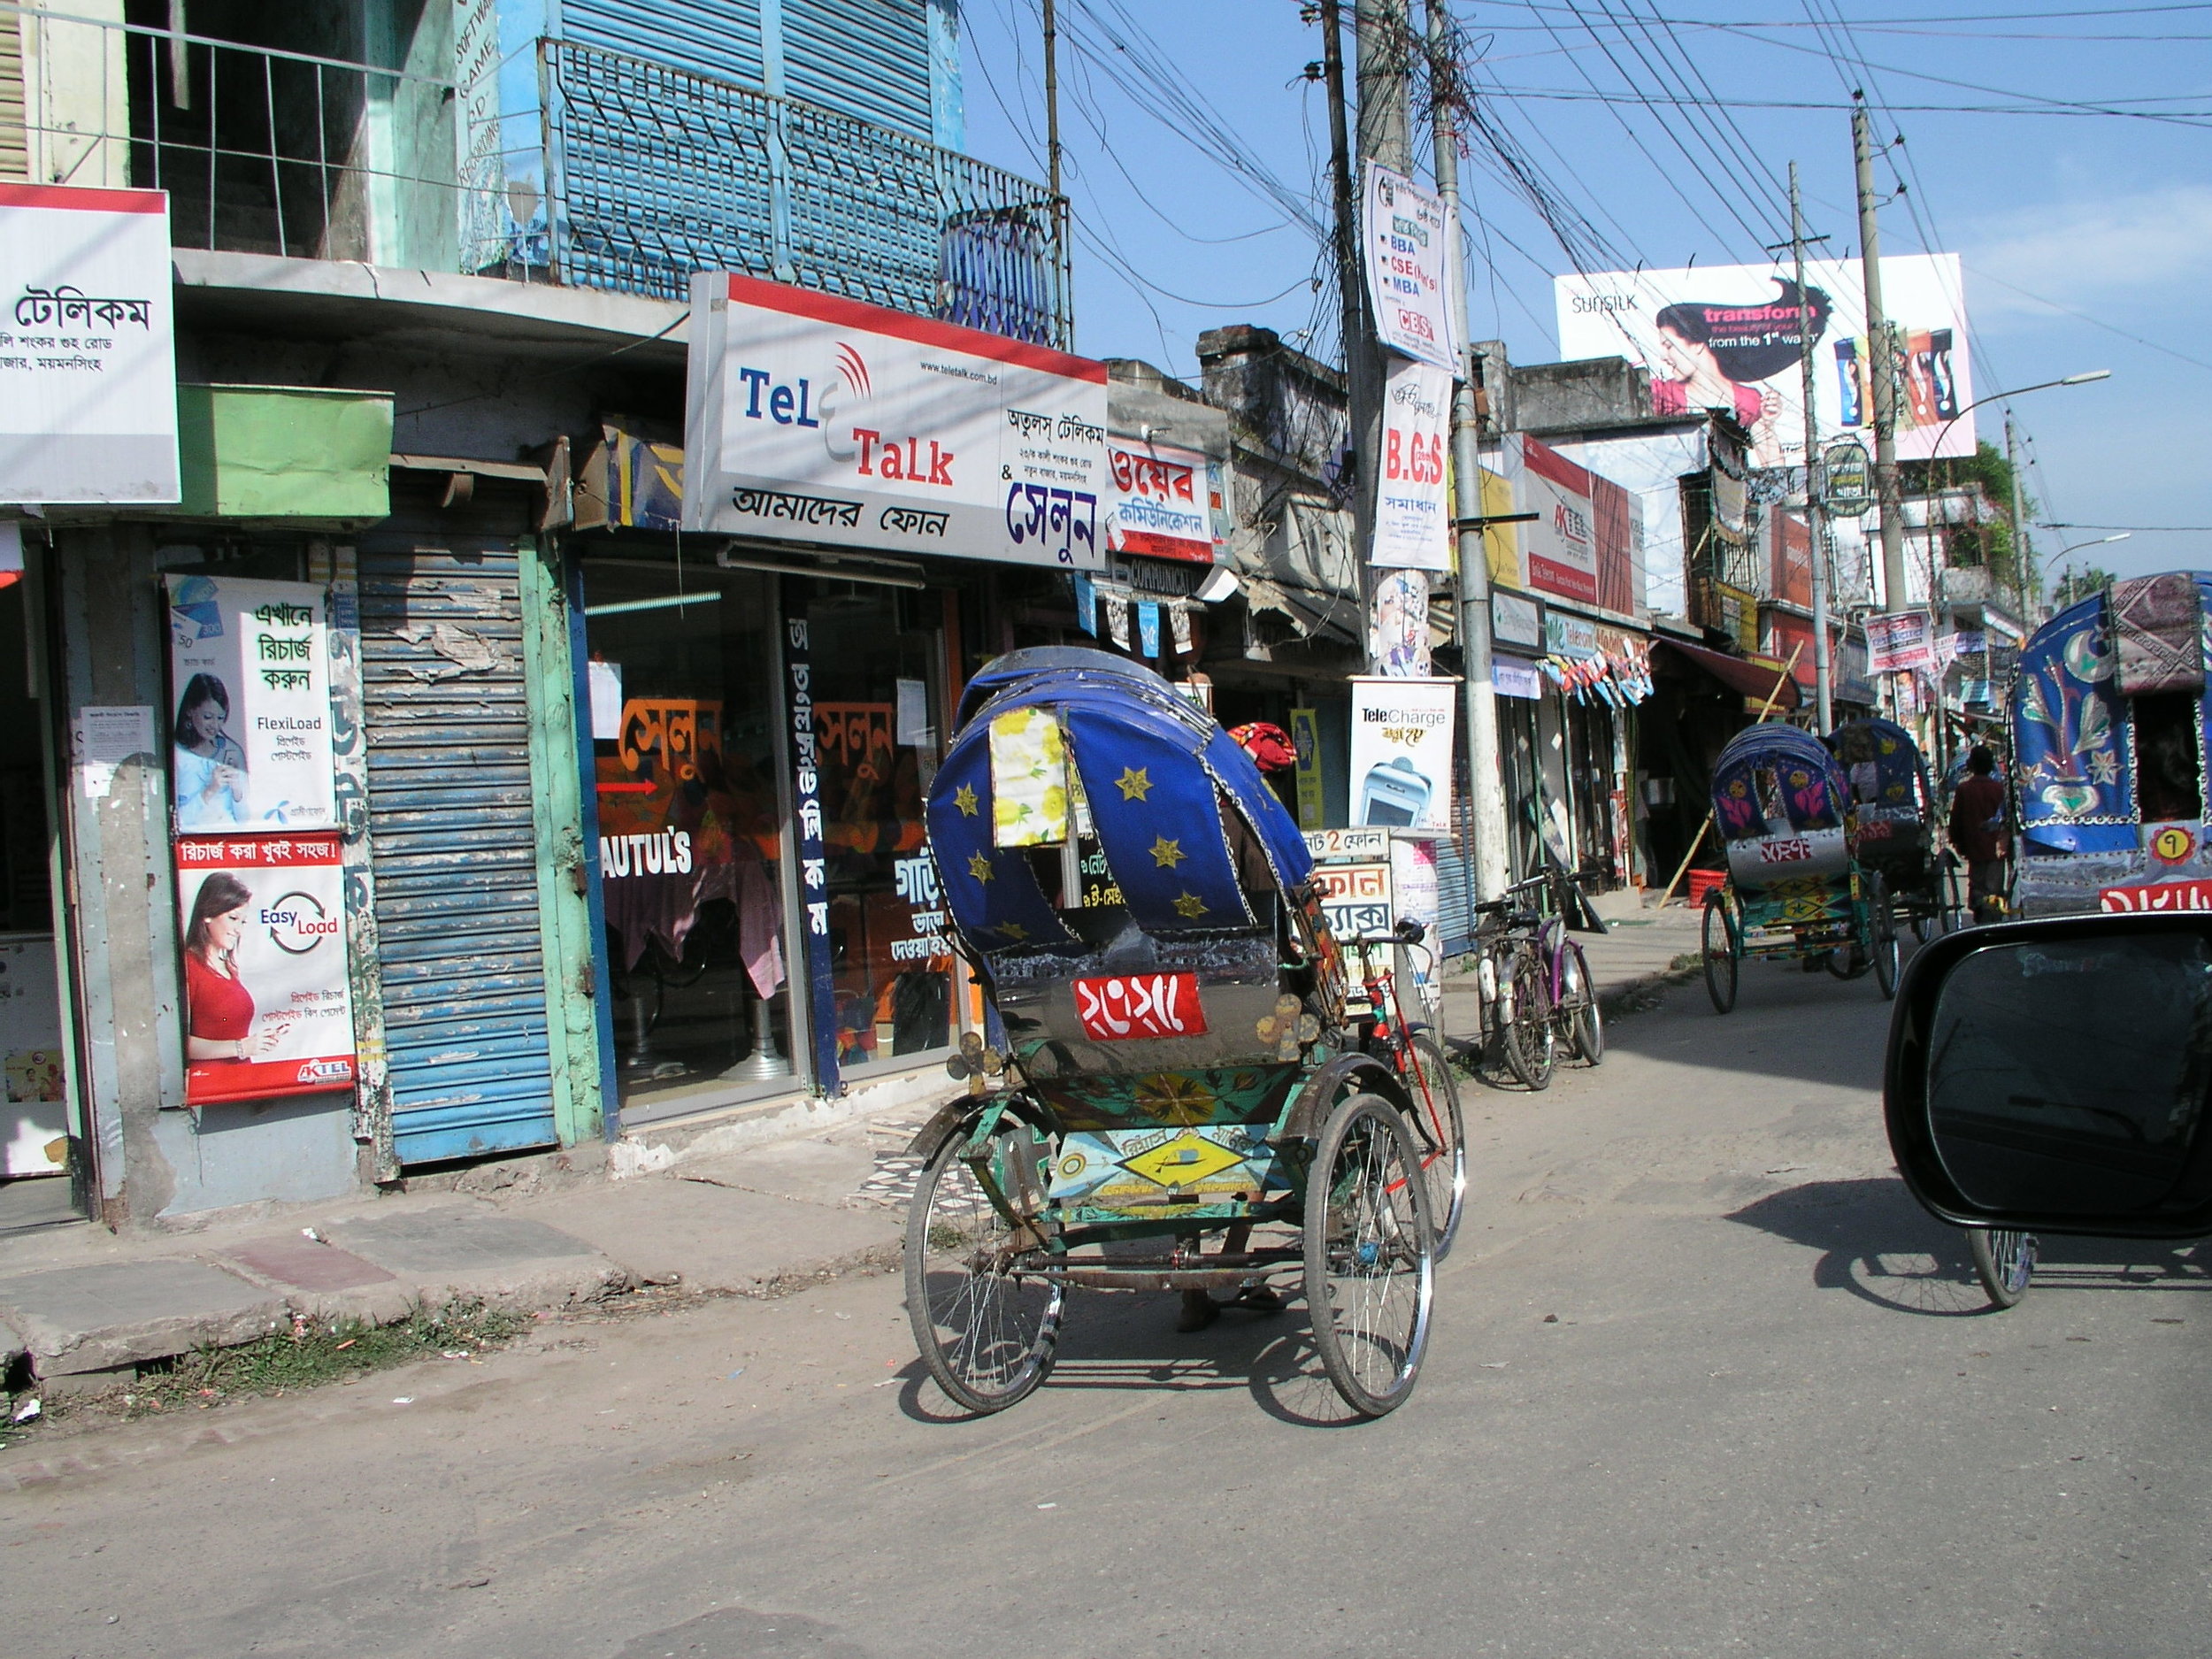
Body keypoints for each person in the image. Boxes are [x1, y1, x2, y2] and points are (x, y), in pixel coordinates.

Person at [182, 872, 283, 1062]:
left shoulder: (228, 968)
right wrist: (242, 1047)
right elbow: (178, 1044)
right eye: (233, 918)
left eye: (243, 922)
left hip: (242, 1079)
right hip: (210, 1083)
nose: (239, 930)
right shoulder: (189, 967)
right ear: (208, 915)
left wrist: (258, 1042)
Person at [173, 673, 249, 829]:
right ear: (190, 710)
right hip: (194, 845)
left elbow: (246, 820)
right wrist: (210, 790)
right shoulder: (177, 755)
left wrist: (237, 790)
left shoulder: (232, 751)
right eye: (208, 717)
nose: (215, 725)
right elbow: (177, 821)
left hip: (230, 842)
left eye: (220, 718)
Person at [1949, 746, 2009, 924]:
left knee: (1978, 884)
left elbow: (1956, 820)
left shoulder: (1964, 790)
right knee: (1994, 886)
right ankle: (1992, 913)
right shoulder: (1999, 789)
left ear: (1971, 765)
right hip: (1996, 849)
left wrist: (1957, 842)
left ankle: (1983, 911)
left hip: (1974, 848)